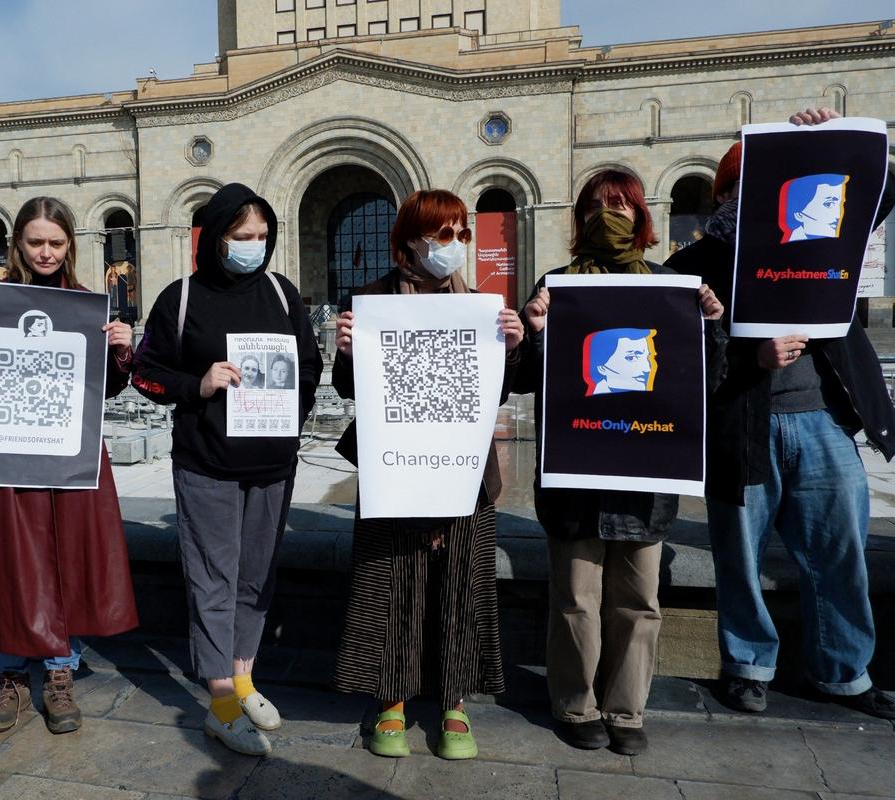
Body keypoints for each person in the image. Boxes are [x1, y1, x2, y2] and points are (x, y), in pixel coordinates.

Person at [665, 108, 895, 720]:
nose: (754, 198)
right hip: (743, 423)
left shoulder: (819, 237)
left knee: (840, 550)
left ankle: (844, 671)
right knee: (738, 554)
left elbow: (881, 191)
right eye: (744, 187)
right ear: (726, 196)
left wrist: (831, 143)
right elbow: (677, 359)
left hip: (823, 418)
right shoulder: (692, 266)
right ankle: (747, 666)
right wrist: (750, 357)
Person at [514, 169, 725, 755]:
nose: (612, 214)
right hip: (576, 479)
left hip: (645, 478)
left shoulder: (671, 284)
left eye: (623, 204)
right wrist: (534, 331)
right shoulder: (556, 283)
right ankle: (576, 704)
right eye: (599, 205)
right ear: (581, 217)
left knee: (639, 601)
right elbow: (527, 380)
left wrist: (710, 328)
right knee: (576, 599)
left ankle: (627, 709)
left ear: (642, 215)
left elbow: (702, 384)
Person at [0, 196, 139, 735]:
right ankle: (12, 679)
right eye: (35, 242)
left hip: (70, 453)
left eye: (56, 243)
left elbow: (106, 388)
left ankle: (60, 675)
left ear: (70, 246)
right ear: (18, 243)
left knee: (66, 560)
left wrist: (121, 349)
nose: (45, 252)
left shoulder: (88, 303)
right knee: (9, 565)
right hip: (7, 453)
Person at [332, 189, 524, 760]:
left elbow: (501, 389)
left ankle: (453, 701)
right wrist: (345, 351)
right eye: (443, 235)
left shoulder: (483, 305)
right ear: (409, 242)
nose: (455, 246)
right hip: (397, 465)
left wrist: (512, 346)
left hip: (464, 468)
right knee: (392, 581)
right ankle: (390, 697)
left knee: (461, 583)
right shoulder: (369, 300)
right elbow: (350, 391)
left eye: (462, 234)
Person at [132, 183, 323, 756]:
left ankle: (243, 677)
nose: (254, 247)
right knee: (213, 578)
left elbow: (309, 364)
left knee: (255, 576)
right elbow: (146, 373)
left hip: (272, 464)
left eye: (262, 237)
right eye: (243, 237)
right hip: (206, 463)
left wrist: (290, 403)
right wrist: (198, 384)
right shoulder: (181, 298)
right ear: (216, 238)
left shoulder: (282, 294)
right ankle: (218, 703)